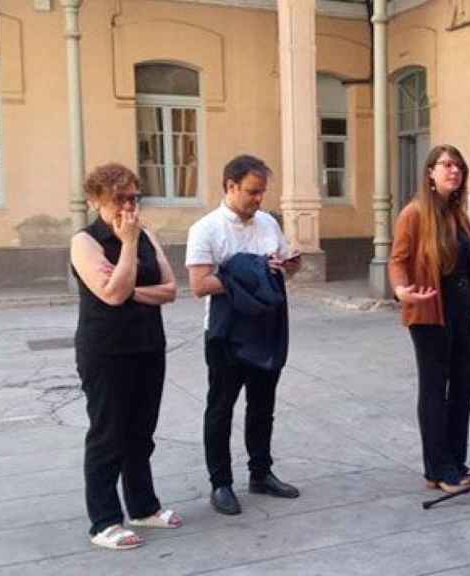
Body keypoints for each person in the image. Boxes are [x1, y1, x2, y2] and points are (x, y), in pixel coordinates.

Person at [388, 144, 470, 494]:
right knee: (435, 388)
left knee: (467, 382)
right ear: (430, 173)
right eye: (446, 165)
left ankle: (453, 458)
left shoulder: (458, 214)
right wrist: (401, 290)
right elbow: (398, 259)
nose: (454, 172)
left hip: (460, 311)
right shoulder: (414, 213)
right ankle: (437, 467)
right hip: (429, 311)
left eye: (459, 167)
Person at [70, 163, 182, 550]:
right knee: (108, 434)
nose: (129, 206)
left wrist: (131, 288)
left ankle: (143, 506)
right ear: (96, 200)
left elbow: (169, 289)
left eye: (134, 197)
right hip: (106, 351)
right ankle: (103, 521)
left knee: (140, 433)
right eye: (119, 198)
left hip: (148, 344)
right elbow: (112, 295)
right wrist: (129, 245)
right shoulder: (86, 241)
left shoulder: (147, 232)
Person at [185, 154, 302, 516]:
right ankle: (220, 483)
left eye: (262, 192)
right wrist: (251, 271)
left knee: (262, 406)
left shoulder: (268, 223)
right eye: (252, 192)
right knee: (220, 408)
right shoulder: (206, 229)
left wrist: (289, 264)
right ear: (230, 186)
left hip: (266, 327)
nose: (258, 200)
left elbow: (284, 268)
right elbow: (199, 284)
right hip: (226, 332)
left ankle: (260, 472)